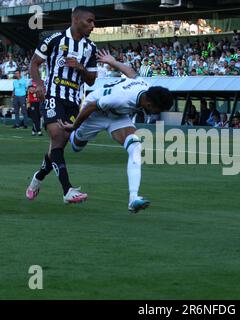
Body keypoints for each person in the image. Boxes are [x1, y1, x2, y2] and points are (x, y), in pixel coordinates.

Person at [58, 50, 174, 213]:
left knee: (135, 147)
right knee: (76, 146)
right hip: (95, 112)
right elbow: (92, 106)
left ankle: (133, 198)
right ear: (149, 103)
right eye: (157, 109)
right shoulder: (121, 98)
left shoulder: (146, 89)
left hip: (118, 116)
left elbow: (131, 72)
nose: (156, 113)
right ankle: (73, 134)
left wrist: (112, 61)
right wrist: (74, 126)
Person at [26, 6, 97, 204]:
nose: (93, 25)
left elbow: (91, 80)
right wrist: (38, 84)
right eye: (89, 21)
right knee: (57, 135)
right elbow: (34, 63)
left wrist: (81, 68)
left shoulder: (90, 47)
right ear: (76, 19)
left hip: (74, 101)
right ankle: (67, 190)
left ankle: (38, 177)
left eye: (93, 22)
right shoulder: (54, 39)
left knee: (57, 146)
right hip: (52, 95)